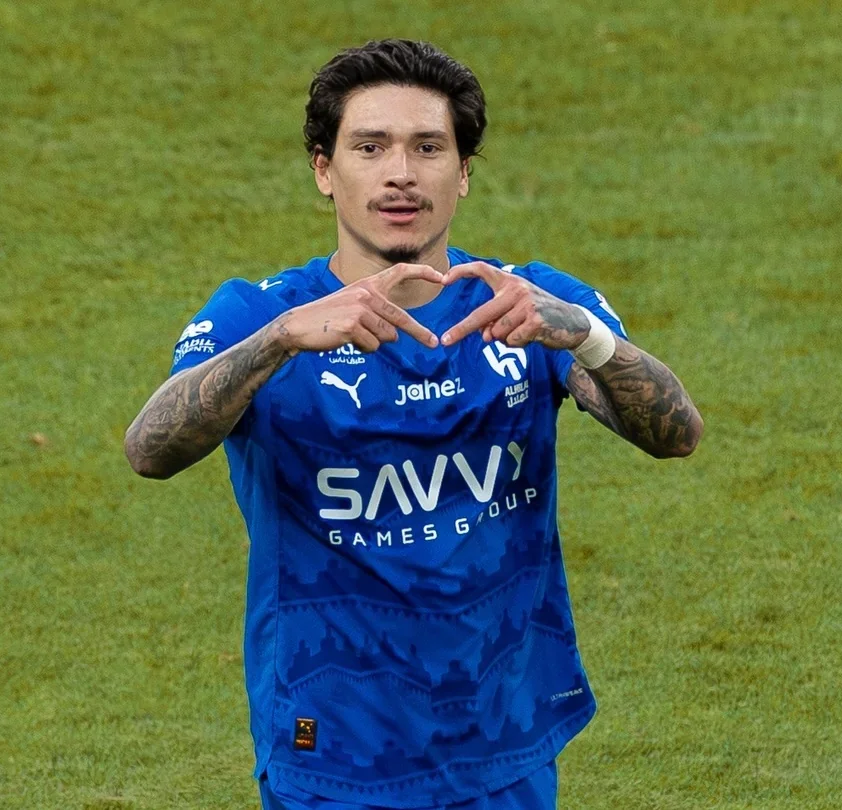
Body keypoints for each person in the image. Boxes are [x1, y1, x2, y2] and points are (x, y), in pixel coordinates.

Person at [125, 39, 703, 810]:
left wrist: (585, 336)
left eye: (429, 148)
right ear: (325, 171)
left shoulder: (525, 305)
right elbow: (149, 449)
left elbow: (676, 433)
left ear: (462, 173)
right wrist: (279, 342)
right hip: (332, 750)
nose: (401, 172)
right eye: (370, 147)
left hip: (505, 742)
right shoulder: (260, 315)